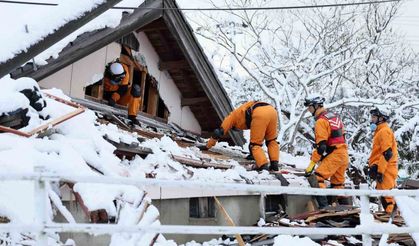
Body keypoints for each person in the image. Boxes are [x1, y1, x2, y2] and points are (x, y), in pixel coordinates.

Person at [206, 101, 280, 171]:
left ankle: (263, 166)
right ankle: (274, 165)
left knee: (255, 144)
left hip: (259, 113)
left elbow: (218, 132)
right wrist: (252, 155)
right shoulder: (242, 111)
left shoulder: (232, 117)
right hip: (272, 111)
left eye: (236, 129)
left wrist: (208, 146)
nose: (238, 129)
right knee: (271, 140)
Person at [304, 94, 349, 209]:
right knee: (338, 184)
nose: (308, 110)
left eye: (309, 107)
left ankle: (324, 208)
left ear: (316, 106)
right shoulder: (334, 117)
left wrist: (311, 165)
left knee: (317, 178)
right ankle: (345, 210)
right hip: (343, 154)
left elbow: (321, 147)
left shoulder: (321, 121)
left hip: (335, 155)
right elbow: (340, 137)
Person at [368, 107, 398, 214]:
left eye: (374, 117)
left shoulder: (384, 131)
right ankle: (391, 224)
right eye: (372, 117)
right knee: (384, 197)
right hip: (383, 168)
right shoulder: (380, 131)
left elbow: (387, 153)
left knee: (388, 199)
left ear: (382, 118)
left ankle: (395, 225)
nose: (372, 119)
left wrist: (380, 171)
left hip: (386, 170)